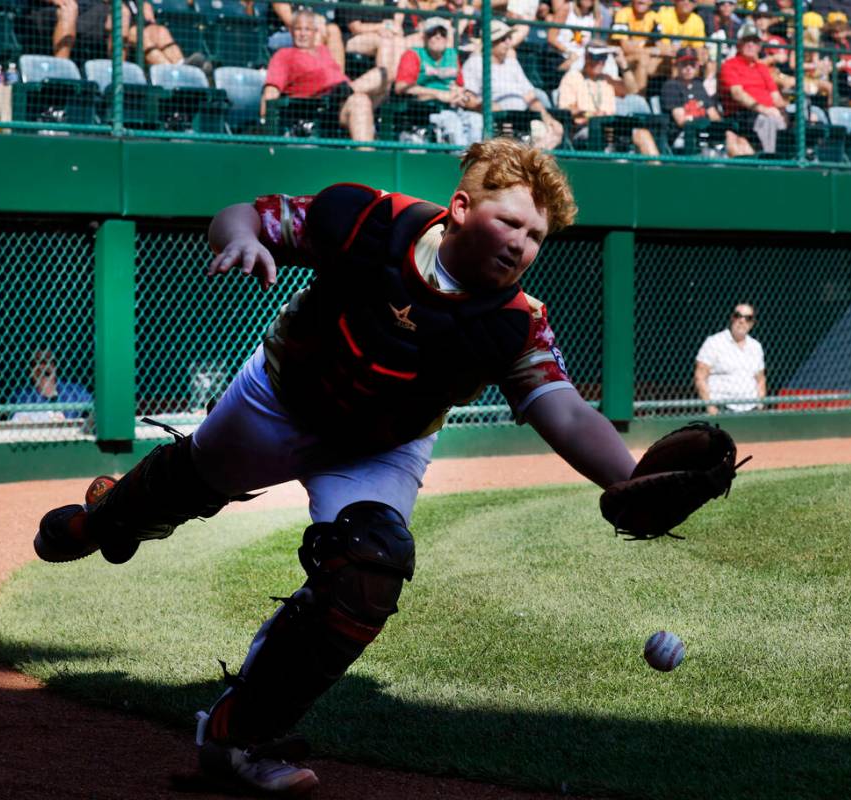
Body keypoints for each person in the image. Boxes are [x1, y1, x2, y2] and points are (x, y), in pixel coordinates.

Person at [32, 137, 639, 796]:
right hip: (283, 398)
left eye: (536, 235)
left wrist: (630, 483)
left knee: (370, 572)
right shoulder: (369, 220)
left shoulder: (518, 324)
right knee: (181, 489)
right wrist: (241, 240)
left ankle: (238, 737)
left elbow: (568, 413)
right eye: (510, 222)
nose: (522, 243)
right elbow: (243, 216)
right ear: (461, 208)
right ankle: (106, 522)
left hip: (382, 445)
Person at [262, 7, 387, 142]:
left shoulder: (324, 51)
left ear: (315, 33)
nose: (302, 34)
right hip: (316, 105)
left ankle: (366, 158)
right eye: (298, 29)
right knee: (359, 98)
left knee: (375, 82)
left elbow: (333, 38)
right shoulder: (284, 55)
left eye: (307, 29)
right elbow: (271, 92)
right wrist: (267, 126)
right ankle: (344, 91)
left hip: (339, 102)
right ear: (291, 31)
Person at [460, 20, 565, 149]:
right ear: (491, 42)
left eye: (509, 38)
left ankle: (526, 165)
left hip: (521, 120)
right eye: (503, 39)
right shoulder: (475, 62)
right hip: (494, 121)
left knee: (554, 131)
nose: (508, 42)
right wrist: (488, 106)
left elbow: (529, 95)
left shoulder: (511, 62)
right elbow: (468, 99)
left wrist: (547, 117)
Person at [393, 17, 483, 145]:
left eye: (442, 34)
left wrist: (461, 95)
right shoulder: (413, 54)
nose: (438, 37)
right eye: (432, 33)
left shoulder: (452, 54)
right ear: (424, 37)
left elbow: (460, 86)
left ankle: (477, 162)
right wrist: (438, 94)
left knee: (477, 121)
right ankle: (456, 161)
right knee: (452, 123)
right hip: (424, 110)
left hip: (453, 108)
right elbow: (400, 86)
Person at [557, 42, 658, 155]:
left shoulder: (607, 79)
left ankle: (658, 171)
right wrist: (592, 115)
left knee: (643, 134)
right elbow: (567, 109)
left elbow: (633, 91)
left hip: (613, 128)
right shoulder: (573, 77)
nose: (601, 62)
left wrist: (623, 65)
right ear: (587, 57)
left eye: (604, 58)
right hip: (586, 129)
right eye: (597, 57)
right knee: (599, 132)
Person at [662, 47, 753, 156]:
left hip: (706, 132)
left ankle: (754, 168)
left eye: (692, 64)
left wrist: (719, 127)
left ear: (697, 66)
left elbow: (713, 113)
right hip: (684, 135)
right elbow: (681, 120)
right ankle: (740, 168)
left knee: (739, 139)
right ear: (677, 66)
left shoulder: (698, 85)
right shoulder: (671, 86)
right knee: (729, 139)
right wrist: (704, 123)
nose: (688, 68)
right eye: (684, 64)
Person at [718, 22, 788, 154]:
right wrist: (764, 109)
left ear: (759, 46)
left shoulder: (762, 68)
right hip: (743, 113)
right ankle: (769, 160)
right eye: (747, 41)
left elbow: (775, 96)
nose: (750, 45)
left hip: (769, 111)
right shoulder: (729, 65)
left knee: (803, 116)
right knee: (768, 119)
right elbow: (737, 94)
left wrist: (783, 110)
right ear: (739, 44)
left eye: (754, 42)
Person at [694, 303, 766, 414]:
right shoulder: (714, 342)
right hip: (722, 408)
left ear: (752, 323)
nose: (742, 321)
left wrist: (760, 406)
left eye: (748, 318)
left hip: (751, 409)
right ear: (732, 318)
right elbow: (700, 377)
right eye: (738, 315)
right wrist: (711, 408)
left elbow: (760, 379)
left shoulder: (756, 346)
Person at [10, 348, 92, 421]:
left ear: (54, 366)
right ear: (30, 370)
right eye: (35, 363)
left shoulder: (74, 390)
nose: (42, 366)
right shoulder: (22, 395)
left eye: (46, 361)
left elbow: (95, 410)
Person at [610, 0, 663, 94]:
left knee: (665, 61)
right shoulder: (623, 13)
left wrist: (637, 45)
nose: (642, 1)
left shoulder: (654, 16)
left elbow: (661, 48)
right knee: (643, 59)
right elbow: (626, 48)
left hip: (644, 59)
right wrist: (647, 47)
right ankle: (639, 99)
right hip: (620, 58)